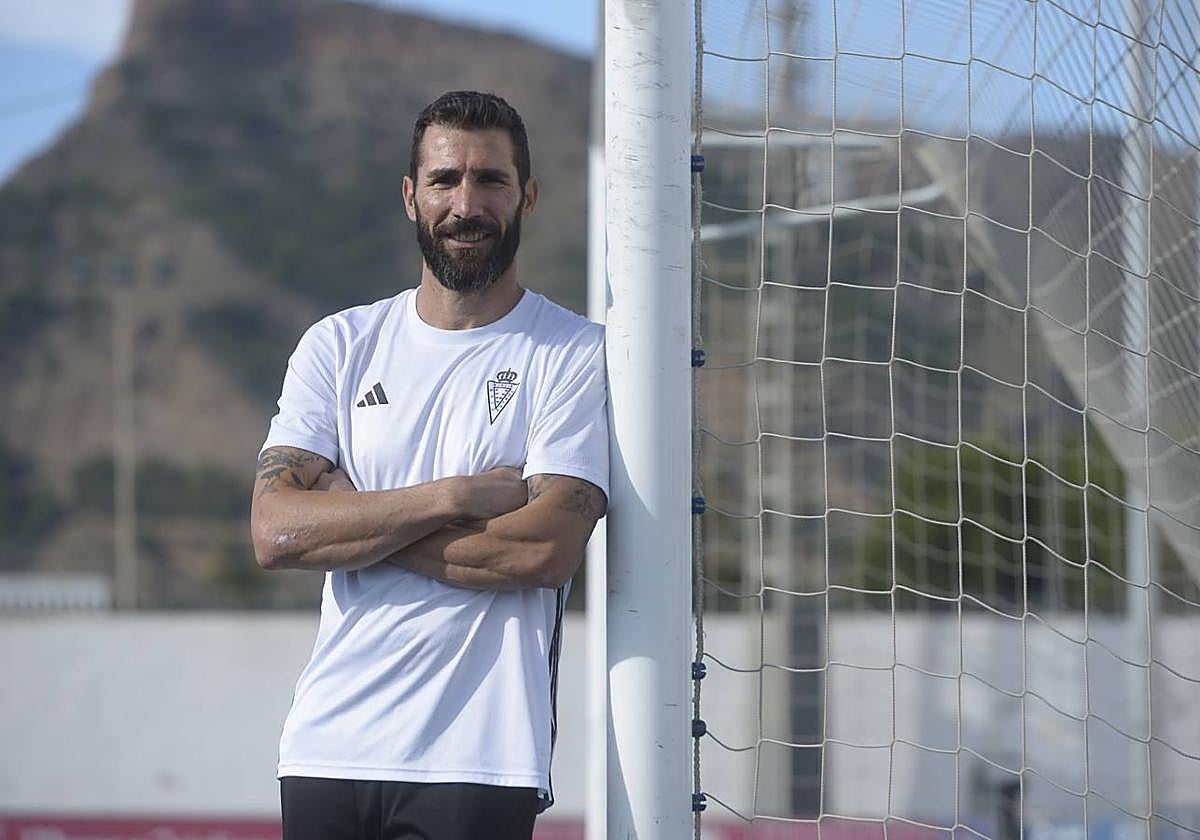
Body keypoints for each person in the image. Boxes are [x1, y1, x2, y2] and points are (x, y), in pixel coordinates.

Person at [250, 90, 608, 840]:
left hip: (479, 757)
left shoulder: (575, 353)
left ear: (528, 196)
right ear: (411, 197)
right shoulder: (338, 346)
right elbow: (277, 532)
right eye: (445, 180)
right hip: (327, 746)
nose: (466, 203)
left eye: (491, 181)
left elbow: (544, 549)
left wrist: (357, 521)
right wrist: (453, 495)